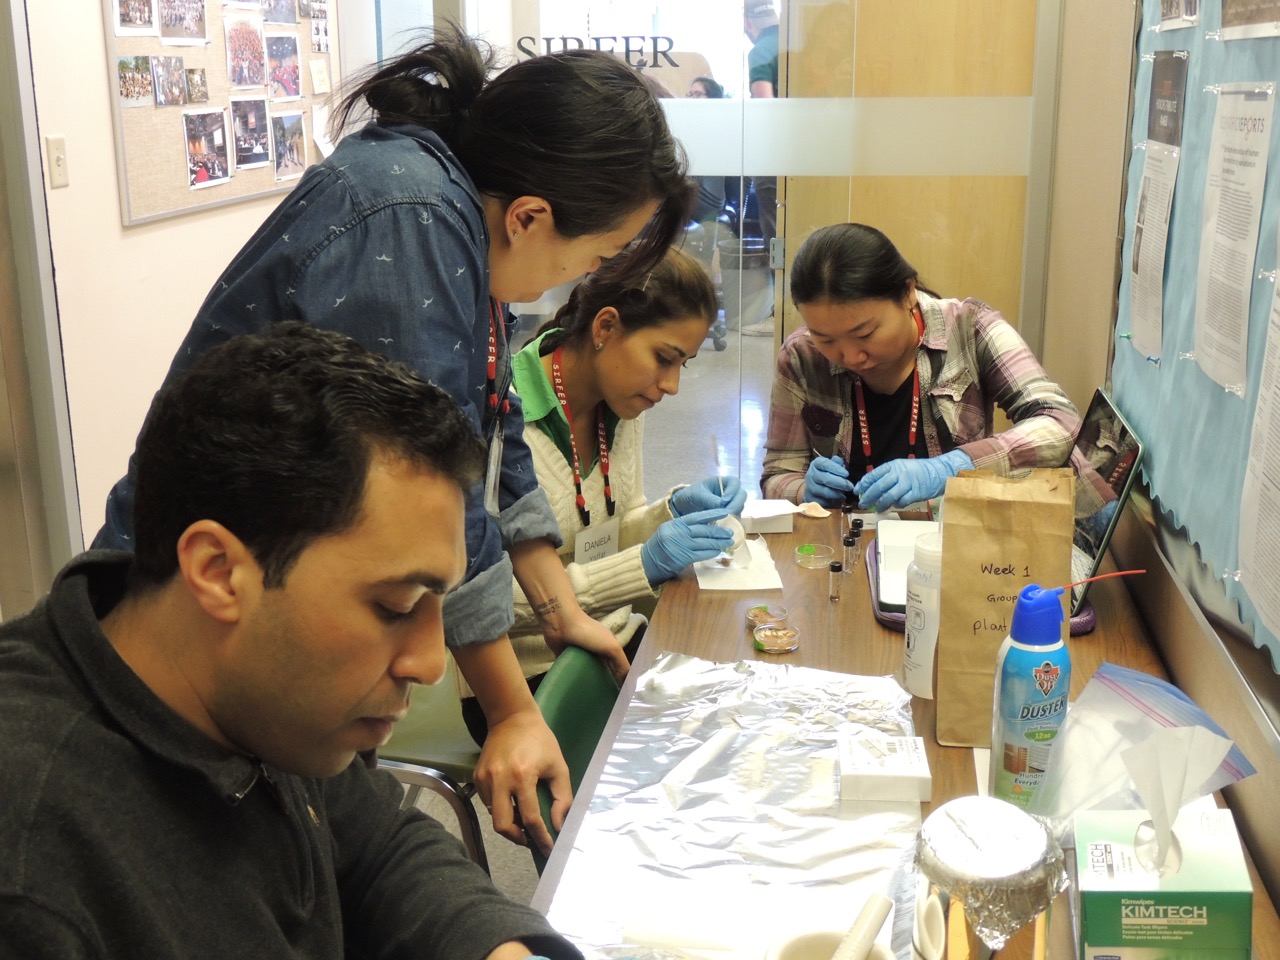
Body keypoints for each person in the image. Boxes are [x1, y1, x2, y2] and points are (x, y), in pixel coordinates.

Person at [89, 24, 693, 854]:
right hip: (188, 625)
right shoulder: (409, 220)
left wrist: (559, 612)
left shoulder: (454, 208)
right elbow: (428, 492)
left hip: (276, 608)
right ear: (530, 216)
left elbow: (491, 422)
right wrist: (513, 710)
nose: (578, 282)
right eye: (592, 256)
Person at [0, 323, 578, 960]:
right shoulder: (36, 880)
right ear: (218, 572)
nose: (429, 662)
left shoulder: (262, 699)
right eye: (395, 606)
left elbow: (376, 847)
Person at [454, 247, 746, 740]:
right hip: (525, 679)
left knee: (733, 712)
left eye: (684, 366)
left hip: (616, 638)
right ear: (605, 328)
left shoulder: (621, 403)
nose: (671, 385)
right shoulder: (500, 418)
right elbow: (487, 603)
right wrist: (641, 566)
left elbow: (611, 527)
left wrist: (666, 512)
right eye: (664, 359)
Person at [762, 223, 1079, 509]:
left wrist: (953, 467)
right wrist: (804, 491)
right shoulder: (801, 356)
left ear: (908, 292)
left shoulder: (970, 329)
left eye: (865, 334)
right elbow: (778, 473)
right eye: (826, 340)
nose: (851, 357)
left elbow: (1059, 421)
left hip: (950, 537)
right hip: (846, 544)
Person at [742, 0, 780, 341]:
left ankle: (778, 314)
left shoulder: (762, 51)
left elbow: (764, 108)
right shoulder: (794, 45)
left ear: (746, 21)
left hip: (777, 158)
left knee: (776, 236)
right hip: (808, 157)